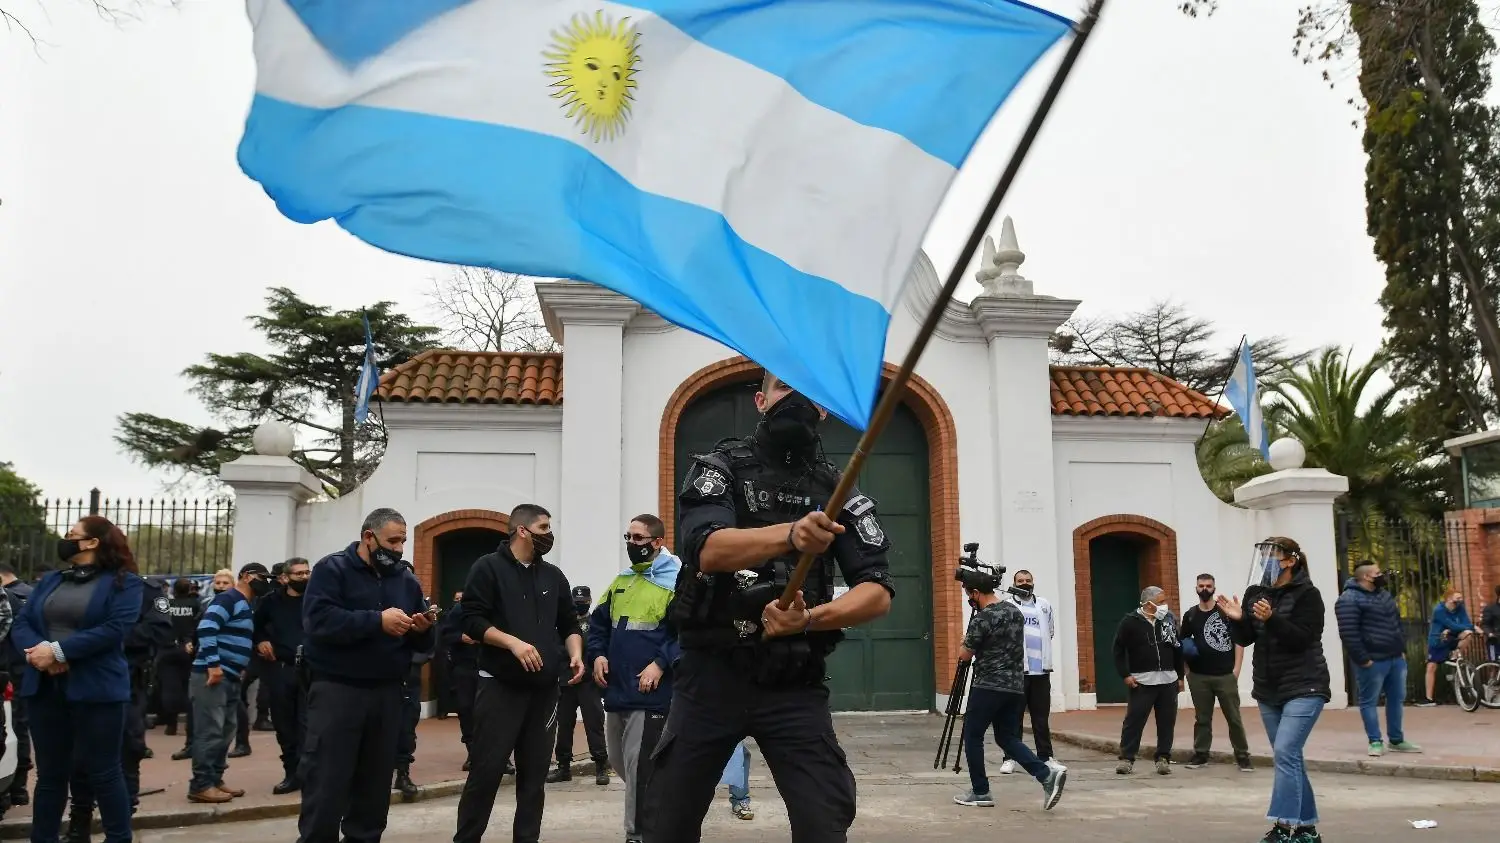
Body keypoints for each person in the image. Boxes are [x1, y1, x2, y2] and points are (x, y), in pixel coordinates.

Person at [644, 372, 897, 843]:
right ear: (760, 400)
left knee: (825, 823)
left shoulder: (839, 491)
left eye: (808, 390)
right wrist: (792, 534)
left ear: (823, 409)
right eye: (783, 387)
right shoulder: (719, 468)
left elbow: (878, 591)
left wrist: (810, 619)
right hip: (710, 678)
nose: (795, 397)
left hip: (792, 682)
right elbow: (707, 549)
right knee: (666, 821)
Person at [297, 508, 435, 843]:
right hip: (338, 691)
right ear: (368, 537)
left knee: (374, 787)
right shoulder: (332, 570)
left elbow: (423, 644)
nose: (399, 549)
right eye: (393, 541)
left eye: (403, 541)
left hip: (387, 693)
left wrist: (422, 629)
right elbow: (319, 621)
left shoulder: (405, 580)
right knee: (327, 781)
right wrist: (377, 621)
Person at [453, 504, 584, 843]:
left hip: (544, 692)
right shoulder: (487, 568)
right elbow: (472, 620)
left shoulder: (553, 576)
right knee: (486, 773)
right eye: (543, 528)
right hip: (500, 689)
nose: (549, 535)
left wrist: (576, 653)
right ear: (522, 530)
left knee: (534, 779)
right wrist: (512, 643)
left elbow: (569, 623)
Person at [11, 516, 144, 843]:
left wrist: (58, 652)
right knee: (50, 775)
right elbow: (23, 622)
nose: (66, 539)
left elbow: (114, 629)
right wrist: (40, 653)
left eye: (73, 534)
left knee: (104, 772)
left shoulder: (125, 583)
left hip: (97, 689)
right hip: (46, 687)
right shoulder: (52, 580)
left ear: (93, 542)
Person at [1218, 536, 1331, 843]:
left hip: (1305, 684)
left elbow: (1302, 639)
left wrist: (1273, 618)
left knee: (1285, 752)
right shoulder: (1256, 593)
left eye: (1272, 556)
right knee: (1289, 757)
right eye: (1263, 556)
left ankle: (1283, 827)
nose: (1265, 562)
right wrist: (1237, 619)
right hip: (1269, 688)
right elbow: (1247, 638)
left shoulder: (1308, 595)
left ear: (1290, 561)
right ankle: (1307, 830)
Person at [585, 514, 682, 843]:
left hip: (651, 694)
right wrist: (597, 655)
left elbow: (684, 635)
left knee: (640, 769)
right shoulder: (621, 581)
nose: (631, 543)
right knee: (621, 762)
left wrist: (660, 664)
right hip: (617, 691)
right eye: (628, 537)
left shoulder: (675, 582)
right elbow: (598, 625)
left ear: (657, 542)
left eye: (638, 538)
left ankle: (638, 834)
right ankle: (659, 811)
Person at [66, 564, 174, 838]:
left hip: (128, 681)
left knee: (127, 749)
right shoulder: (78, 587)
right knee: (79, 754)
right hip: (83, 677)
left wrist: (108, 638)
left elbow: (161, 630)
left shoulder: (146, 590)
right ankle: (79, 824)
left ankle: (121, 824)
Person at [952, 564, 1067, 810]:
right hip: (1015, 685)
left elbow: (964, 655)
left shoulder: (982, 618)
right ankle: (1046, 775)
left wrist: (964, 641)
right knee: (1007, 737)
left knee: (972, 735)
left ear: (975, 593)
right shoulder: (1015, 612)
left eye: (969, 594)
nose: (969, 599)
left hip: (988, 685)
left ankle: (981, 791)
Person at [187, 562, 270, 804]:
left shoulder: (245, 604)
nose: (265, 582)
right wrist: (213, 665)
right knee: (210, 731)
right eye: (261, 577)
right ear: (246, 576)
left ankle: (215, 779)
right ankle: (201, 784)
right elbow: (206, 628)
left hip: (229, 675)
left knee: (225, 731)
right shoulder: (229, 598)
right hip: (212, 674)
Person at [1334, 561, 1420, 756]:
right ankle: (1375, 741)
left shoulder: (1384, 595)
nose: (1382, 575)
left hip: (1395, 657)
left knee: (1396, 699)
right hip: (1372, 660)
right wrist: (1363, 659)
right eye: (1377, 573)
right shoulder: (1348, 599)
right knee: (1369, 701)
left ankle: (1396, 740)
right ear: (1366, 576)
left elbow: (1397, 622)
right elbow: (1348, 633)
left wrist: (1402, 649)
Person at [1181, 573, 1252, 771]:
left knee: (1234, 718)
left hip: (1225, 675)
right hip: (1198, 676)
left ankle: (1243, 756)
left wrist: (1236, 669)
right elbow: (1182, 642)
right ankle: (1201, 754)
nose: (1204, 589)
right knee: (1202, 719)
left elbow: (1239, 641)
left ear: (1214, 588)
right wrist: (1187, 672)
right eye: (1201, 586)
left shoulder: (1225, 612)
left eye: (1208, 586)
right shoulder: (1190, 615)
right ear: (1196, 588)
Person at [253, 557, 311, 794]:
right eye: (299, 574)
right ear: (285, 578)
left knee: (308, 725)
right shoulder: (271, 601)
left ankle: (309, 774)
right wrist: (261, 641)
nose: (304, 577)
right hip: (282, 670)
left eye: (307, 572)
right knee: (284, 725)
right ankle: (291, 773)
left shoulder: (317, 599)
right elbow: (255, 627)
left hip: (312, 670)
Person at [1111, 585, 1183, 776]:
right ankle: (1127, 758)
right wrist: (1125, 674)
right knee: (1134, 721)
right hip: (1142, 682)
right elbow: (1118, 650)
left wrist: (1180, 676)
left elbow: (1177, 647)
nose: (1165, 605)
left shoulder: (1168, 620)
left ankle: (1163, 758)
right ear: (1149, 604)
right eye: (1161, 602)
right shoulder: (1130, 622)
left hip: (1168, 680)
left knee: (1166, 722)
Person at [997, 569, 1061, 775]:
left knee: (1040, 718)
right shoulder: (1007, 606)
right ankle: (1010, 758)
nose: (1024, 583)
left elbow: (1050, 631)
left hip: (1041, 672)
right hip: (1018, 672)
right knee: (1013, 718)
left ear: (1033, 582)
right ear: (1014, 583)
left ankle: (1046, 757)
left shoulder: (1044, 605)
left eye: (1028, 580)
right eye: (1020, 581)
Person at [548, 585, 609, 787]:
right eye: (576, 603)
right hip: (567, 681)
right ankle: (563, 766)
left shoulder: (595, 624)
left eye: (583, 602)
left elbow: (599, 649)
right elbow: (556, 649)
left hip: (589, 682)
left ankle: (601, 766)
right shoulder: (564, 626)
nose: (580, 605)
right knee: (564, 726)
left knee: (594, 724)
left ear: (590, 601)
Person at [394, 596, 435, 800]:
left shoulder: (412, 597)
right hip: (381, 673)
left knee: (407, 726)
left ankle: (403, 773)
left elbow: (428, 642)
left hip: (409, 673)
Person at [0, 563, 33, 806]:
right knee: (17, 728)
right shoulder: (28, 595)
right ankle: (18, 789)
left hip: (10, 672)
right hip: (16, 671)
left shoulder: (9, 598)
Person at [438, 591, 478, 772]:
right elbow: (444, 634)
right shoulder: (459, 610)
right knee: (466, 709)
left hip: (489, 667)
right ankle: (473, 753)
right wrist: (461, 637)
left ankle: (499, 756)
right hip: (464, 667)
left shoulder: (494, 607)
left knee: (492, 712)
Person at [164, 578, 203, 762]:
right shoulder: (195, 604)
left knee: (169, 686)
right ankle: (189, 724)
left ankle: (170, 724)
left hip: (168, 649)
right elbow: (198, 625)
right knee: (189, 688)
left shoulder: (168, 605)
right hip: (189, 649)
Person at [1423, 587, 1481, 705]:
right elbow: (1452, 625)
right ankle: (1429, 698)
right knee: (1431, 666)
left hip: (1453, 636)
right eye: (1458, 598)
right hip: (1439, 640)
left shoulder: (1460, 608)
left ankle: (1455, 653)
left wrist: (1469, 628)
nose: (1460, 600)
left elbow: (1466, 622)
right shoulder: (1439, 610)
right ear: (1449, 599)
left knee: (1468, 634)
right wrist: (1473, 627)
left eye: (1461, 597)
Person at [1483, 585, 1500, 663]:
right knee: (1493, 662)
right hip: (1494, 641)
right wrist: (1489, 633)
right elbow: (1485, 624)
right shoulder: (1490, 608)